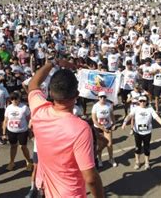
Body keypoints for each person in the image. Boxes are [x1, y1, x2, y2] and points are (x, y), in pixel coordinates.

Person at [27, 59, 104, 197]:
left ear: (50, 92)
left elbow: (33, 83)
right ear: (76, 95)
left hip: (43, 189)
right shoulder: (81, 129)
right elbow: (91, 178)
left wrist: (53, 63)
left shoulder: (38, 110)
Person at [122, 95, 161, 170]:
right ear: (138, 102)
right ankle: (137, 162)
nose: (142, 102)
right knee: (137, 148)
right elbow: (129, 116)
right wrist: (124, 123)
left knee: (147, 148)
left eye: (144, 101)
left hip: (147, 132)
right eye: (140, 101)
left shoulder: (150, 109)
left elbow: (157, 117)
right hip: (137, 132)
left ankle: (147, 162)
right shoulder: (136, 109)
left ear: (146, 102)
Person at [2, 91, 32, 171]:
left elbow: (29, 119)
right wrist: (4, 133)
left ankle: (29, 162)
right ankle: (12, 162)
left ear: (19, 99)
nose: (14, 100)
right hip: (11, 131)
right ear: (10, 100)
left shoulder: (24, 107)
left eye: (16, 98)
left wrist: (30, 131)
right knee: (13, 146)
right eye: (12, 99)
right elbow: (5, 120)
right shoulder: (8, 108)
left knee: (23, 147)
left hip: (22, 131)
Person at [91, 91, 117, 168]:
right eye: (101, 97)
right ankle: (99, 159)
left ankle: (111, 158)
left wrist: (114, 124)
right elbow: (94, 119)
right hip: (98, 128)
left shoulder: (109, 105)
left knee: (109, 144)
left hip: (108, 126)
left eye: (104, 97)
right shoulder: (95, 106)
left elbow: (112, 116)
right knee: (100, 145)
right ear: (98, 98)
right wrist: (102, 127)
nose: (103, 98)